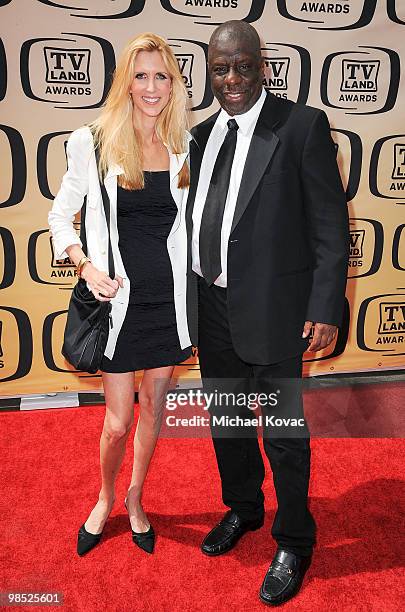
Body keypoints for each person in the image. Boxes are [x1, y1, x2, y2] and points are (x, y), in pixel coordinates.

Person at [185, 20, 350, 606]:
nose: (232, 79)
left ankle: (294, 540)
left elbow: (331, 226)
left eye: (243, 66)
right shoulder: (201, 136)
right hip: (212, 306)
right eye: (220, 69)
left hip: (277, 311)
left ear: (263, 65)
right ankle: (244, 509)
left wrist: (326, 306)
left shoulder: (300, 126)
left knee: (283, 435)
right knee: (227, 424)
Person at [48, 33, 193, 556]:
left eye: (162, 76)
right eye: (141, 75)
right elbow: (59, 218)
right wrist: (85, 266)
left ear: (174, 83)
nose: (152, 87)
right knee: (118, 421)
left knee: (154, 408)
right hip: (119, 304)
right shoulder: (93, 141)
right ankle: (105, 496)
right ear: (125, 82)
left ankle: (135, 499)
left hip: (169, 303)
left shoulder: (183, 144)